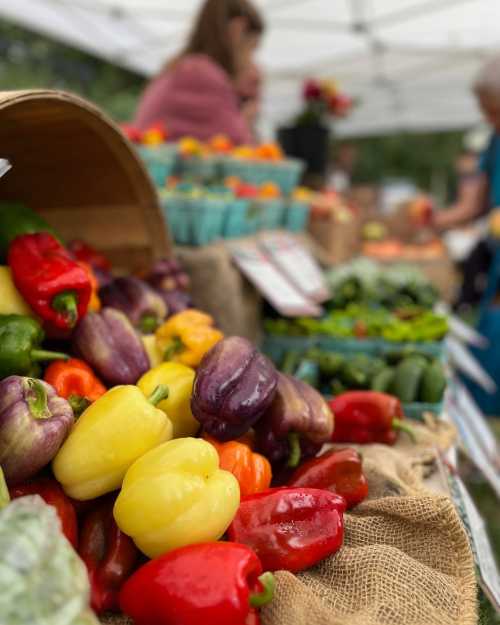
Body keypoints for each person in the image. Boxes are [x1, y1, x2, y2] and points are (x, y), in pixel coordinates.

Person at [134, 0, 264, 144]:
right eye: (252, 47)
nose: (251, 60)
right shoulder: (200, 74)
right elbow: (236, 145)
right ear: (237, 29)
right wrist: (246, 120)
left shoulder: (184, 67)